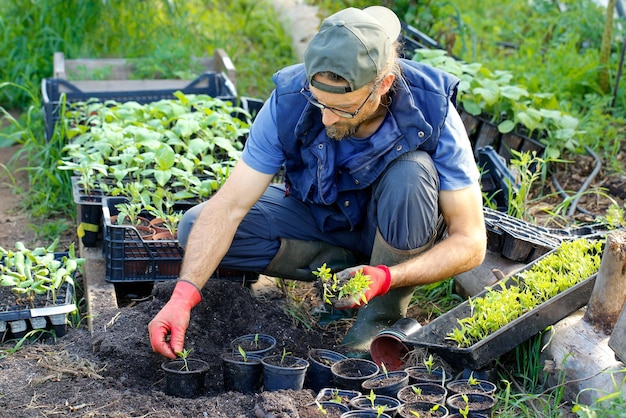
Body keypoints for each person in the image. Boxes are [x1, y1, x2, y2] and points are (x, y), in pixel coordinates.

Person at [148, 5, 486, 358]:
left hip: (393, 234)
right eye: (318, 101)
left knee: (412, 172)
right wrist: (182, 297)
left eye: (342, 108)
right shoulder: (289, 99)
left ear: (383, 84)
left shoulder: (432, 112)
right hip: (323, 219)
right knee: (193, 226)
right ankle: (340, 277)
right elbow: (229, 206)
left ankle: (378, 318)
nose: (326, 119)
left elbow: (472, 242)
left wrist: (386, 277)